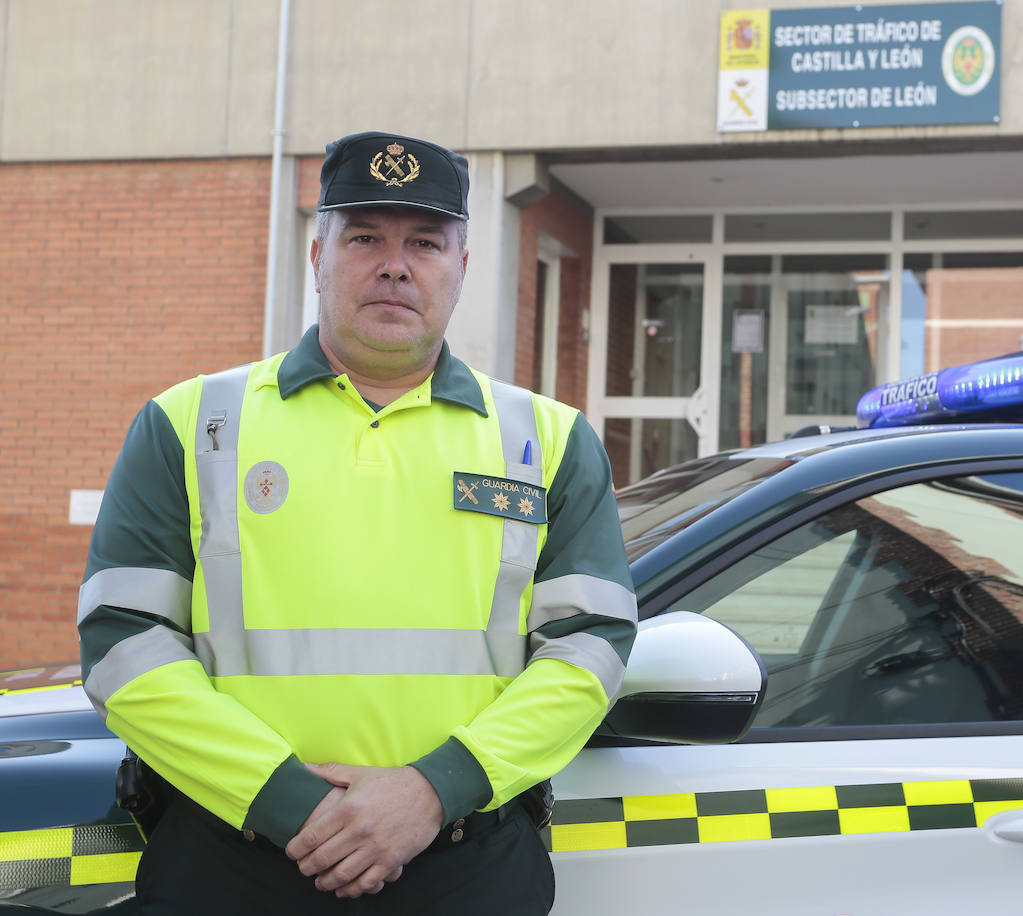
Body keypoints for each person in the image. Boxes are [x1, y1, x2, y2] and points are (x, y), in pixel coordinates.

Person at [78, 130, 638, 914]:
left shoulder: (547, 440)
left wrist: (436, 789)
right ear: (318, 256)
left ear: (463, 266)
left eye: (426, 242)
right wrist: (287, 802)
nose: (395, 265)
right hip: (233, 864)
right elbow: (122, 643)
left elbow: (590, 648)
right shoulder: (191, 422)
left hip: (466, 866)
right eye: (365, 237)